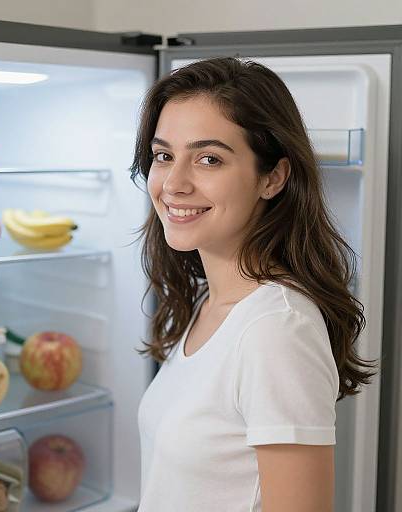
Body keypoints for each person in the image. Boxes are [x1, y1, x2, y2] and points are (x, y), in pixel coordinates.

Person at [128, 57, 379, 511]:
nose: (174, 183)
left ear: (273, 177)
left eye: (209, 159)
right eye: (164, 156)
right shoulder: (211, 302)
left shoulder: (277, 329)